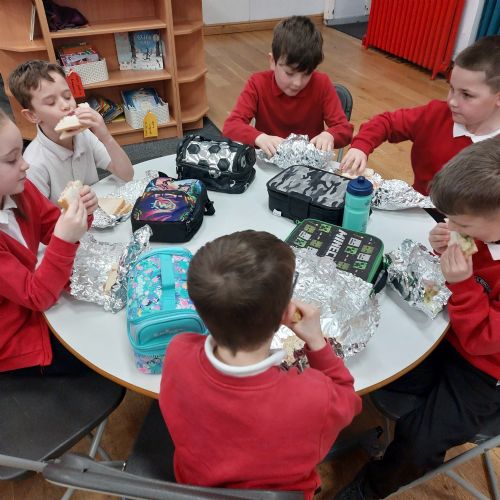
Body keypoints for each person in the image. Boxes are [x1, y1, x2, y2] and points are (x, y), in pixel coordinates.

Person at [335, 137, 500, 499]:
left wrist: (463, 283)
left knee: (419, 441)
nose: (452, 227)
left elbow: (482, 340)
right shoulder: (484, 229)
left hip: (486, 372)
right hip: (448, 338)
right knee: (384, 362)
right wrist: (445, 246)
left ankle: (371, 488)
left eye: (462, 223)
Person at [159, 230, 361, 498]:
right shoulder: (314, 398)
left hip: (194, 487)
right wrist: (316, 341)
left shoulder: (177, 351)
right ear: (285, 313)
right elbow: (348, 398)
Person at [340, 35, 500, 195]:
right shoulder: (436, 114)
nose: (452, 101)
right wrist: (361, 146)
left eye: (466, 94)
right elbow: (387, 122)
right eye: (452, 88)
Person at [0, 109, 92, 374]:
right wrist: (64, 239)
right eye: (12, 159)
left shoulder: (20, 190)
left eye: (21, 153)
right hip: (17, 338)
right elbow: (37, 297)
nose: (25, 165)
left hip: (37, 304)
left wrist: (82, 212)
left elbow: (53, 227)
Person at [222, 16, 353, 158]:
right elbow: (231, 127)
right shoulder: (257, 84)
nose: (297, 83)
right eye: (290, 73)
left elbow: (345, 130)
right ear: (272, 61)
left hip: (308, 165)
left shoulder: (322, 84)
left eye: (307, 74)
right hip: (268, 161)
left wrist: (329, 135)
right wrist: (259, 137)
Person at [8, 60, 134, 205]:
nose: (66, 105)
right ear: (32, 115)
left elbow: (127, 174)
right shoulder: (34, 163)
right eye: (51, 102)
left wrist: (106, 137)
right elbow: (39, 217)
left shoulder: (84, 135)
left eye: (67, 96)